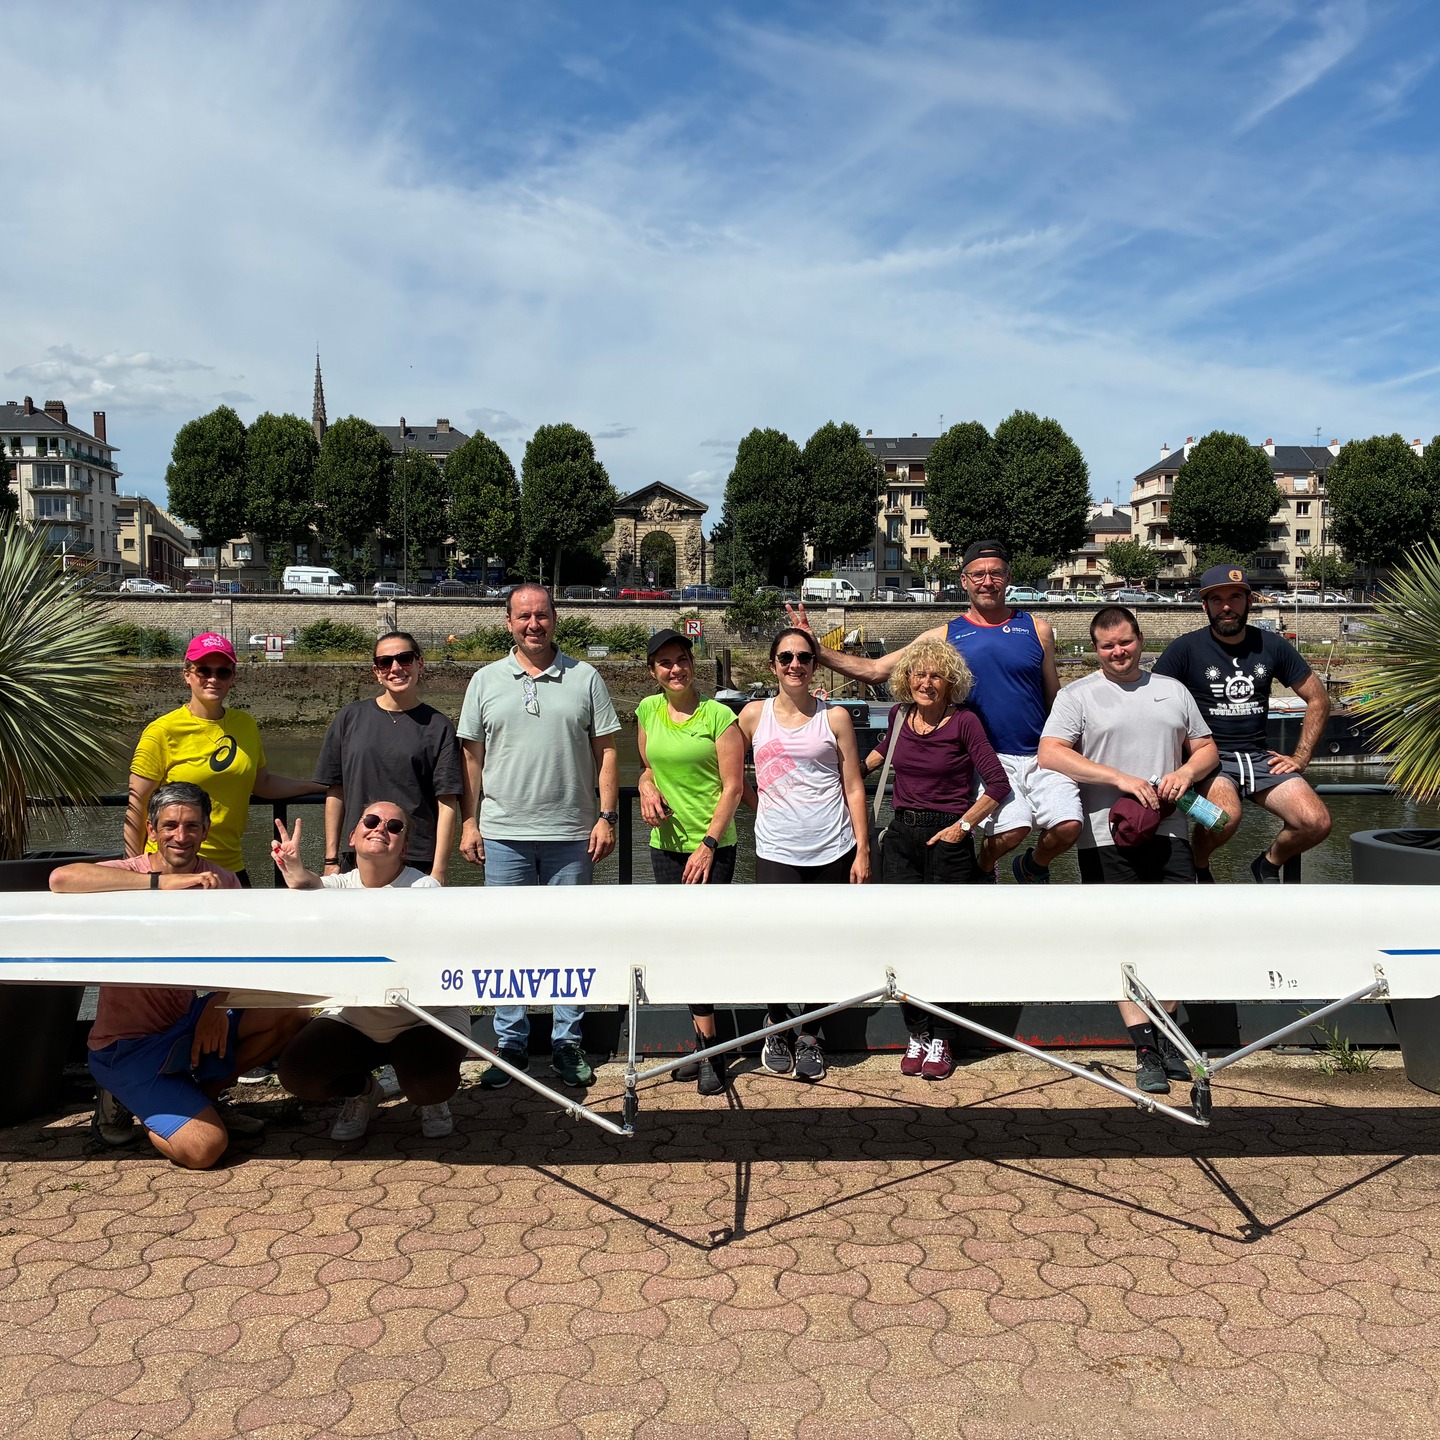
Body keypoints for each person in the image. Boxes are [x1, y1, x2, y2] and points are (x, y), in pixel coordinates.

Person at [789, 540, 1082, 884]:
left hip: (1040, 754)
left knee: (1069, 827)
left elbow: (1054, 697)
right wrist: (816, 648)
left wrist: (1069, 747)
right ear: (964, 581)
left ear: (1008, 576)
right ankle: (983, 872)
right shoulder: (944, 635)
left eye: (996, 573)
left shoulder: (1037, 629)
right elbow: (875, 671)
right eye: (978, 574)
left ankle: (1031, 866)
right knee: (1012, 832)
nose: (987, 581)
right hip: (988, 757)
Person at [50, 781, 306, 1167]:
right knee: (205, 1149)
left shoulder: (222, 881)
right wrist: (162, 883)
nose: (180, 836)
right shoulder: (128, 874)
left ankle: (201, 1100)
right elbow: (61, 880)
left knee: (292, 1010)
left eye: (191, 826)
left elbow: (247, 956)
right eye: (169, 826)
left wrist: (217, 1004)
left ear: (205, 830)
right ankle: (130, 1098)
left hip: (186, 1025)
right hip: (126, 1046)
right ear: (151, 831)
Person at [1037, 606, 1219, 1095]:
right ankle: (1145, 1050)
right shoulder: (1079, 696)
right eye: (1107, 646)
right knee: (1125, 943)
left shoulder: (1173, 691)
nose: (1118, 652)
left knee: (1174, 937)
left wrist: (1186, 773)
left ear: (1141, 640)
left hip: (1171, 830)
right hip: (1104, 835)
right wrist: (1118, 778)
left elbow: (1207, 748)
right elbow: (1050, 752)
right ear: (1095, 649)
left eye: (1126, 642)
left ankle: (1165, 1038)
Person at [457, 584, 621, 1091]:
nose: (534, 624)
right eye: (524, 616)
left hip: (572, 833)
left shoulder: (585, 677)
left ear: (555, 619)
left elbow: (608, 752)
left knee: (568, 941)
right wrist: (469, 821)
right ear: (508, 622)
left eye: (542, 615)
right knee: (507, 942)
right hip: (503, 832)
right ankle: (511, 1045)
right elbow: (471, 758)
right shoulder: (484, 681)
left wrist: (607, 815)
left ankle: (567, 1042)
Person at [272, 802, 467, 1141]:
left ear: (404, 848)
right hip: (354, 1018)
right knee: (298, 1074)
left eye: (394, 826)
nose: (381, 828)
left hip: (423, 1017)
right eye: (372, 820)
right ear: (353, 835)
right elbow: (310, 886)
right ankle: (363, 1091)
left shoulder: (423, 890)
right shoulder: (337, 887)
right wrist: (294, 871)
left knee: (429, 1086)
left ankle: (431, 1100)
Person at [863, 637, 1010, 1082]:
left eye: (936, 675)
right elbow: (875, 757)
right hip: (903, 837)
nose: (926, 682)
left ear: (951, 683)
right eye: (919, 674)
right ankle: (917, 1033)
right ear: (907, 679)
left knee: (947, 941)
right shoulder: (899, 716)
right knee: (906, 940)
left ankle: (944, 1036)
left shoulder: (964, 722)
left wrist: (962, 826)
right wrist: (825, 764)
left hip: (948, 839)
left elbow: (998, 785)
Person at [737, 628, 870, 1083]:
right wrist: (651, 774)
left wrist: (863, 850)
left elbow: (854, 786)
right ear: (773, 664)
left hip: (832, 845)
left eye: (804, 657)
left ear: (816, 665)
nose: (795, 664)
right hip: (777, 848)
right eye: (786, 657)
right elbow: (724, 770)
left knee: (821, 944)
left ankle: (811, 1033)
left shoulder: (834, 719)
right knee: (775, 941)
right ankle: (776, 1022)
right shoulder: (753, 717)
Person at [1152, 565, 1333, 883]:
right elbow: (1150, 703)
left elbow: (1318, 699)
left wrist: (1300, 757)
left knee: (1315, 822)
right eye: (1217, 599)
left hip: (1259, 757)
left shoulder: (1272, 645)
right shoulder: (1185, 648)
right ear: (1204, 606)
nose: (1226, 606)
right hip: (1208, 760)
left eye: (1235, 597)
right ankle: (1199, 865)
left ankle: (1268, 863)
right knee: (1224, 818)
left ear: (1250, 601)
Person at [636, 628, 745, 1095]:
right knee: (679, 943)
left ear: (692, 665)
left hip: (711, 846)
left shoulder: (719, 716)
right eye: (665, 663)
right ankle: (704, 1045)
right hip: (666, 844)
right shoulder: (647, 710)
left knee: (704, 944)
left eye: (681, 660)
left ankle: (714, 1051)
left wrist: (708, 843)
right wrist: (644, 785)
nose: (674, 669)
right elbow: (647, 763)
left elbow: (734, 787)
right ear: (653, 671)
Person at [125, 633, 326, 885]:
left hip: (230, 864)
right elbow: (137, 806)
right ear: (187, 675)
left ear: (233, 678)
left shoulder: (245, 724)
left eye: (223, 672)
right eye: (204, 670)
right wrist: (132, 875)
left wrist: (319, 786)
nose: (213, 679)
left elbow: (262, 783)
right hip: (175, 867)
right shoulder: (162, 731)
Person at [314, 631, 462, 883]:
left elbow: (446, 801)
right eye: (385, 662)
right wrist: (331, 860)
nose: (395, 668)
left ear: (419, 663)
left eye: (404, 658)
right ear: (376, 671)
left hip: (416, 858)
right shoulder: (350, 718)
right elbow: (335, 790)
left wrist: (439, 870)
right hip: (360, 854)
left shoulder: (439, 726)